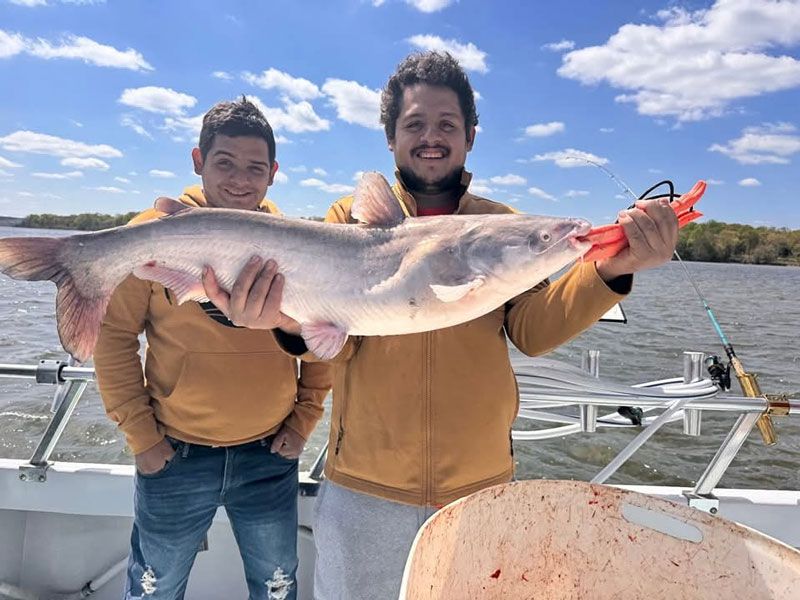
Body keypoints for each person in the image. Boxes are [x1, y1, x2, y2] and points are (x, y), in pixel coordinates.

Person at [203, 52, 680, 600]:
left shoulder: (504, 226)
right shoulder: (344, 223)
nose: (432, 137)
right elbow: (330, 348)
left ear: (471, 136)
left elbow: (532, 331)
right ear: (391, 138)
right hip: (366, 486)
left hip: (477, 486)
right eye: (415, 125)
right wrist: (282, 323)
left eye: (448, 124)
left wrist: (610, 271)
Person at [93, 97, 331, 600]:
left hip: (269, 455)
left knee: (276, 588)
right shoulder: (150, 235)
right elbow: (113, 340)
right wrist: (144, 440)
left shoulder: (298, 243)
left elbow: (319, 337)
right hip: (175, 454)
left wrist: (302, 422)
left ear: (274, 173)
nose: (240, 179)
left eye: (255, 167)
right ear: (198, 160)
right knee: (155, 588)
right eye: (224, 163)